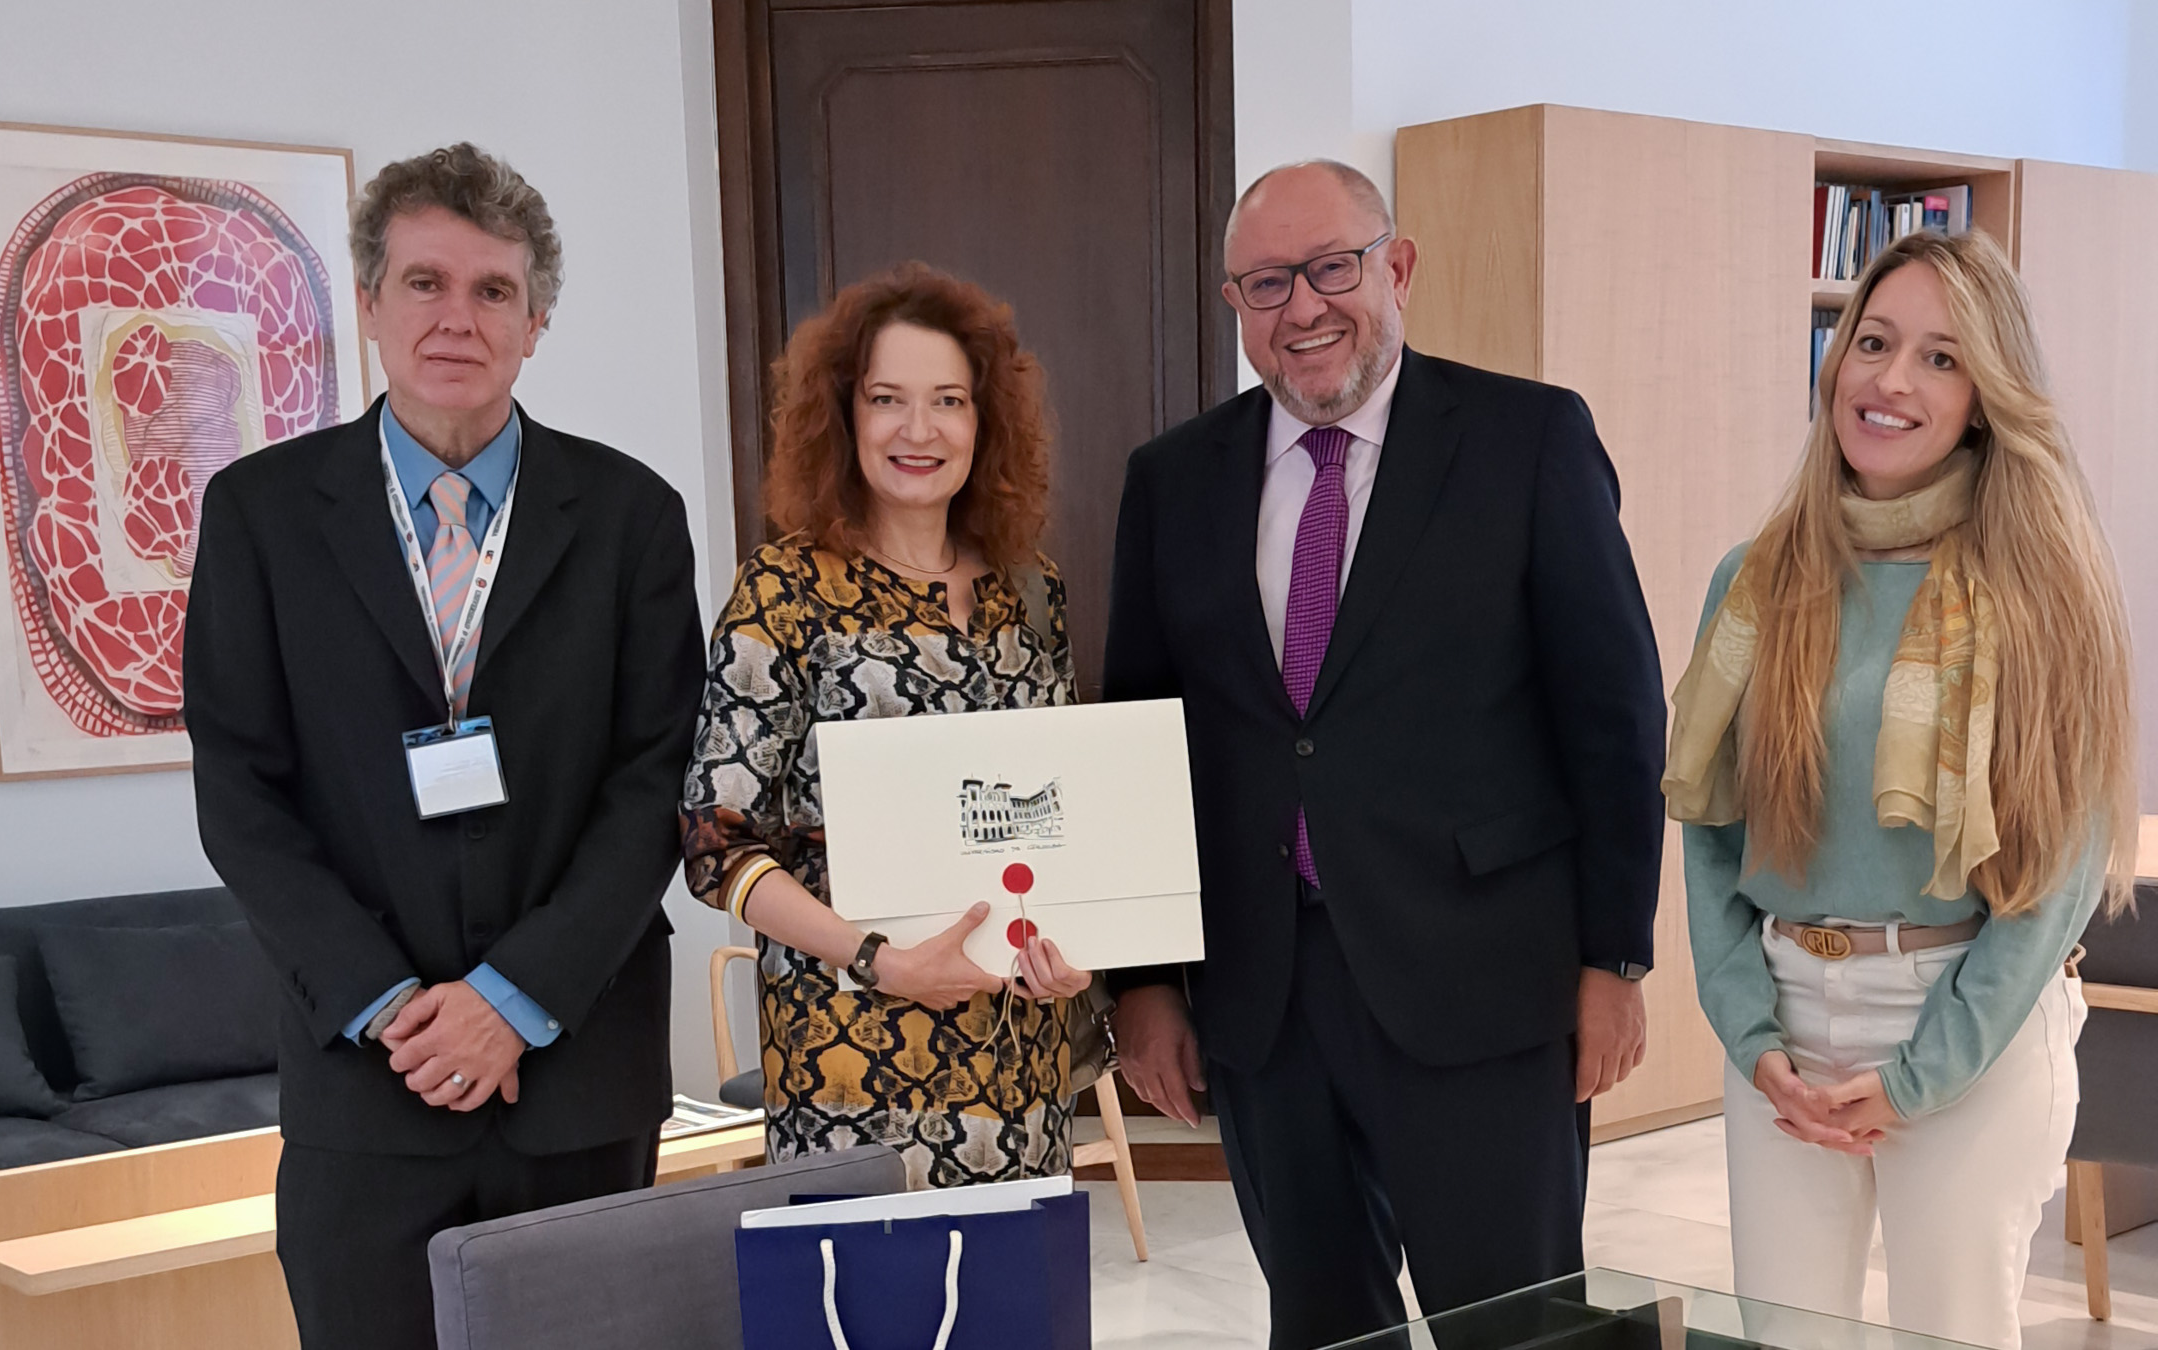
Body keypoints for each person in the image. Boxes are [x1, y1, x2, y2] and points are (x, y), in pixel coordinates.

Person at [1101, 160, 1667, 1347]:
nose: (1303, 307)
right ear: (1234, 304)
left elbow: (1614, 718)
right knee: (1319, 1324)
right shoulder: (1173, 481)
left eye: (1331, 268)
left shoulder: (1528, 438)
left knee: (1516, 1326)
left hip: (1483, 984)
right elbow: (1139, 742)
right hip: (1264, 1000)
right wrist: (1144, 984)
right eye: (1267, 283)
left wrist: (1615, 961)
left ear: (1395, 267)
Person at [184, 143, 705, 1350]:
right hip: (366, 1082)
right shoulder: (260, 516)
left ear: (536, 322)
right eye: (424, 283)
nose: (455, 319)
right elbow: (242, 795)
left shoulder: (632, 516)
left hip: (579, 1072)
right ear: (368, 304)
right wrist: (391, 1005)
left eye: (492, 291)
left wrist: (512, 1002)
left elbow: (654, 783)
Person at [1668, 229, 2136, 1350]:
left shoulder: (2042, 585)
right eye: (1871, 343)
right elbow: (1711, 839)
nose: (1889, 381)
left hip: (1966, 1021)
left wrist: (1923, 1075)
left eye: (1939, 358)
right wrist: (1749, 1031)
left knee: (1956, 1335)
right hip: (1783, 1025)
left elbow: (2058, 880)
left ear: (1986, 394)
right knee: (1787, 1335)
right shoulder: (1757, 579)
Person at [679, 263, 1092, 1191]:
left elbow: (1055, 816)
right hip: (848, 1063)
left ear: (984, 422)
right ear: (842, 416)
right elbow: (717, 847)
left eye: (948, 399)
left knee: (1017, 1317)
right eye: (886, 400)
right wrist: (881, 960)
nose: (919, 429)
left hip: (1016, 1058)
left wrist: (1066, 942)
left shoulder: (1033, 591)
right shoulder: (783, 590)